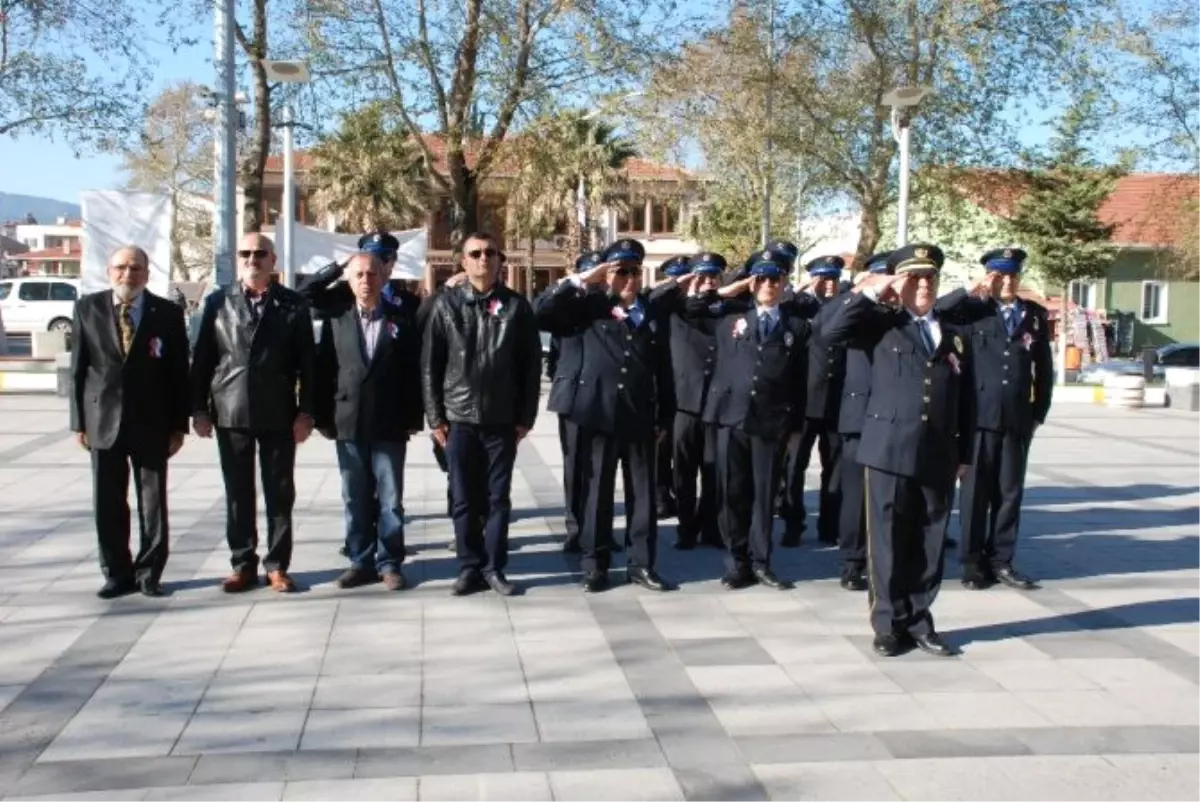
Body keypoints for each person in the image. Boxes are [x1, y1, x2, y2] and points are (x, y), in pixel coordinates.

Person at [823, 243, 975, 657]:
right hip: (888, 450)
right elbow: (830, 331)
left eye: (930, 277)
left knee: (929, 540)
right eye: (914, 277)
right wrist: (874, 289)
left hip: (938, 452)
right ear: (901, 282)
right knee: (888, 541)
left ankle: (920, 619)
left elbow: (966, 401)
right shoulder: (879, 325)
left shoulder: (955, 335)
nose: (923, 284)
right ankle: (888, 623)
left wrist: (965, 453)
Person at [534, 239, 674, 593]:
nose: (628, 278)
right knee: (596, 493)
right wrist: (585, 279)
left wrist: (665, 417)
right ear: (607, 274)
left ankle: (641, 564)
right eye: (620, 271)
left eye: (633, 271)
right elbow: (542, 312)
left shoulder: (652, 311)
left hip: (640, 415)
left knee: (642, 494)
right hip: (598, 413)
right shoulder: (589, 306)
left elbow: (665, 369)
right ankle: (595, 565)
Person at [190, 233, 316, 593]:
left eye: (260, 253)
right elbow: (202, 361)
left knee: (279, 492)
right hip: (231, 412)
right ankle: (242, 563)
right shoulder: (217, 303)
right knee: (237, 493)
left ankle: (277, 565)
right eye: (245, 253)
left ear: (272, 260)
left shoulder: (293, 305)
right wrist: (198, 409)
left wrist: (306, 411)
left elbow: (308, 364)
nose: (252, 259)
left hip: (278, 412)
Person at [422, 231, 541, 596]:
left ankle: (494, 567)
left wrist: (526, 417)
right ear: (463, 261)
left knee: (497, 499)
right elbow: (430, 365)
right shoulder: (446, 305)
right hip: (458, 419)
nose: (483, 259)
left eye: (490, 253)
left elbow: (531, 367)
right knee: (462, 498)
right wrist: (435, 417)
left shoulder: (517, 307)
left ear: (500, 260)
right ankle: (469, 567)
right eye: (475, 254)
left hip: (501, 420)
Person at [682, 250, 810, 590]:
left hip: (772, 422)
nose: (769, 284)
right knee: (732, 492)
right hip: (730, 418)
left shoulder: (795, 325)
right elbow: (691, 308)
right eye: (762, 278)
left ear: (785, 283)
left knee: (764, 495)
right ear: (752, 282)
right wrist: (730, 289)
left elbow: (800, 380)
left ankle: (761, 561)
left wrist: (796, 426)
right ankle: (736, 561)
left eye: (776, 278)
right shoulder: (729, 316)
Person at [69, 246, 190, 598]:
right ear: (109, 272)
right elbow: (78, 369)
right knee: (107, 501)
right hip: (102, 420)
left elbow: (178, 372)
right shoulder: (87, 309)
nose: (128, 275)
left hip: (152, 423)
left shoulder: (167, 313)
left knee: (152, 503)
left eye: (135, 268)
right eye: (121, 268)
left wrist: (178, 426)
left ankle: (149, 573)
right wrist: (79, 422)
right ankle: (116, 573)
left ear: (147, 274)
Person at [936, 247, 1053, 590]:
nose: (1007, 281)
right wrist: (971, 289)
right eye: (999, 275)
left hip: (1016, 419)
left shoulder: (1033, 315)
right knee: (975, 496)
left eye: (1012, 275)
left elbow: (1044, 369)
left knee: (1009, 493)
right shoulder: (972, 312)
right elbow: (940, 310)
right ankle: (973, 564)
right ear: (988, 276)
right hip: (978, 421)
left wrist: (1038, 413)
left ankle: (1002, 560)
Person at [315, 252, 424, 591]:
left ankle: (390, 562)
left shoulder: (401, 319)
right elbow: (323, 370)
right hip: (348, 420)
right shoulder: (337, 316)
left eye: (372, 274)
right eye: (359, 274)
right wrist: (321, 418)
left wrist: (413, 417)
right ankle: (360, 561)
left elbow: (412, 372)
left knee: (390, 499)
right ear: (349, 280)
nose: (366, 280)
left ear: (383, 278)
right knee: (354, 496)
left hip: (390, 422)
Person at [648, 252, 726, 550]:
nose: (708, 283)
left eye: (712, 277)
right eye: (701, 276)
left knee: (713, 470)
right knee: (683, 472)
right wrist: (679, 284)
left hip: (715, 405)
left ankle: (711, 528)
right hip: (684, 405)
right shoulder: (672, 309)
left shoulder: (722, 308)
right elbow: (652, 299)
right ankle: (686, 529)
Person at [828, 251, 891, 590]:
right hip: (858, 418)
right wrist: (863, 293)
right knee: (855, 497)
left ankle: (882, 557)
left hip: (895, 419)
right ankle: (852, 562)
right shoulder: (855, 310)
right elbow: (828, 329)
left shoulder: (902, 315)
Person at [781, 255, 848, 547]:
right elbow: (780, 304)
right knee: (794, 467)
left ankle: (829, 525)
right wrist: (804, 287)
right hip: (805, 403)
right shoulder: (799, 308)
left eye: (833, 278)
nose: (829, 284)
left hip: (836, 403)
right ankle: (793, 524)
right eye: (824, 279)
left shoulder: (846, 307)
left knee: (834, 469)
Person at [544, 251, 605, 553]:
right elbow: (540, 310)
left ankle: (599, 530)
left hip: (605, 398)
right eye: (588, 272)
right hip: (572, 398)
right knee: (575, 467)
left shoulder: (609, 303)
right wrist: (577, 282)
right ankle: (575, 528)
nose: (595, 279)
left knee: (601, 469)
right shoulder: (565, 303)